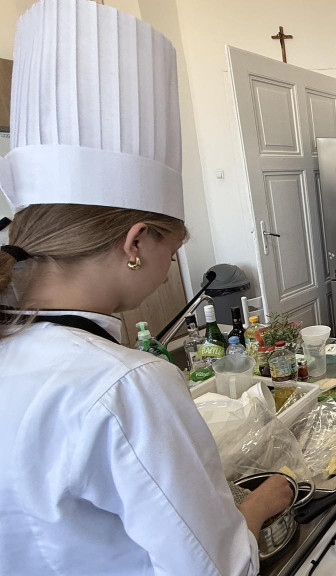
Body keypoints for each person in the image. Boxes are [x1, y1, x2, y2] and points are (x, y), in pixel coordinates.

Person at [0, 1, 291, 573]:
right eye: (171, 250)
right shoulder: (128, 384)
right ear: (136, 243)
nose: (167, 271)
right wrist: (261, 502)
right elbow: (217, 565)